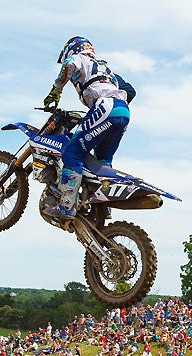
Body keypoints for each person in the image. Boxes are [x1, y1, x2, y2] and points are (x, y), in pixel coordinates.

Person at [42, 36, 135, 219]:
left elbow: (69, 64)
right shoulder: (107, 70)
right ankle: (103, 208)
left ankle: (66, 207)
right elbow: (130, 90)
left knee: (72, 153)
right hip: (123, 111)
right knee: (103, 161)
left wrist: (56, 90)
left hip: (106, 107)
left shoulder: (80, 59)